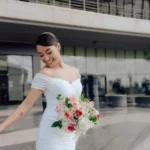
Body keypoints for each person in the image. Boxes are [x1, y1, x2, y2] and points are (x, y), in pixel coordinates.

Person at [0, 32, 82, 150]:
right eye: (41, 55)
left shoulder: (74, 71)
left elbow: (77, 100)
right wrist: (2, 126)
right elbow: (27, 105)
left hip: (69, 132)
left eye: (49, 52)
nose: (46, 59)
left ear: (58, 47)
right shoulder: (43, 75)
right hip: (51, 132)